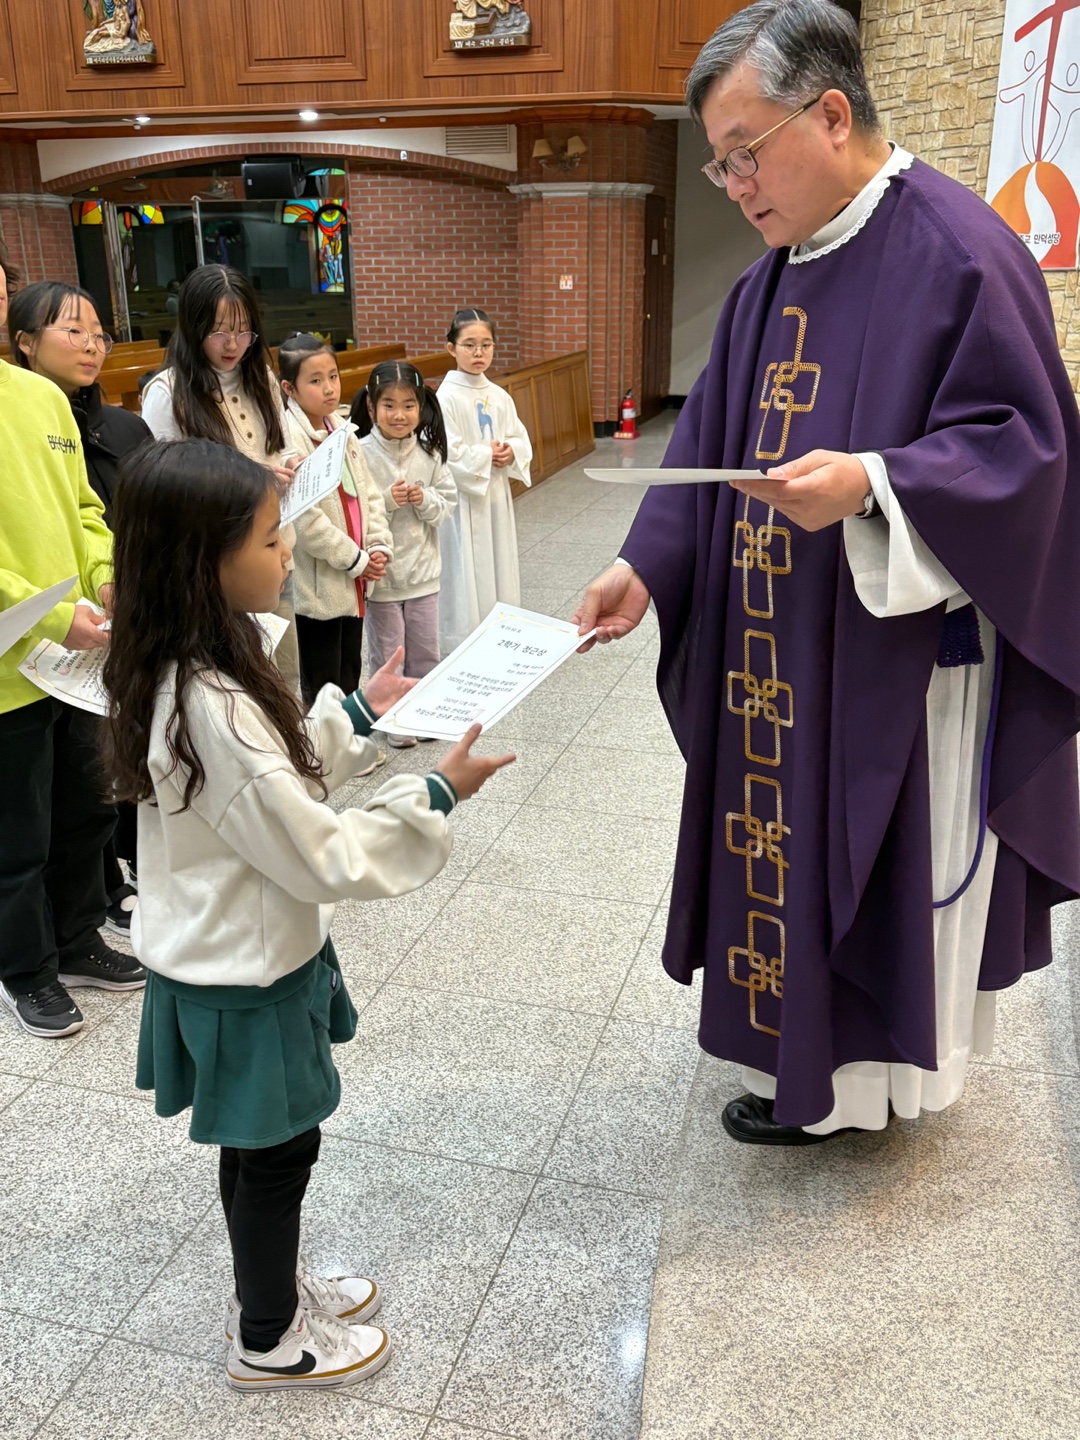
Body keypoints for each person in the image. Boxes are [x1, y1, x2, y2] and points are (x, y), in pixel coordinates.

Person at [576, 0, 1080, 1144]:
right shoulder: (773, 276)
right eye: (720, 164)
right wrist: (644, 565)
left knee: (874, 858)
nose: (734, 185)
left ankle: (867, 1090)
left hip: (888, 662)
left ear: (834, 114)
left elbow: (1028, 452)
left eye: (744, 153)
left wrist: (872, 484)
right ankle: (809, 1067)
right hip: (776, 658)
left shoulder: (959, 250)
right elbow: (709, 442)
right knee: (780, 857)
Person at [102, 438, 514, 1391]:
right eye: (267, 538)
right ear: (202, 563)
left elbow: (273, 782)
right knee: (279, 1151)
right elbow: (318, 847)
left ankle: (271, 1289)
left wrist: (357, 717)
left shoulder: (193, 662)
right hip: (243, 970)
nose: (287, 549)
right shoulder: (209, 701)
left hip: (224, 949)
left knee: (256, 1145)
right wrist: (436, 794)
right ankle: (268, 1338)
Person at [0, 263, 146, 1040]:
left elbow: (85, 510)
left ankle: (78, 938)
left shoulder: (39, 396)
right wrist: (55, 616)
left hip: (74, 654)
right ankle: (26, 970)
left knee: (86, 808)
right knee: (16, 832)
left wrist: (105, 577)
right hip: (10, 662)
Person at [141, 264, 302, 692]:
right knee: (232, 687)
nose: (234, 345)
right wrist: (249, 479)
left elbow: (280, 447)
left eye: (244, 331)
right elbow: (164, 489)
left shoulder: (261, 378)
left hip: (275, 552)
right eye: (219, 332)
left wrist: (294, 464)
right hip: (217, 571)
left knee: (284, 679)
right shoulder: (168, 392)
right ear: (192, 327)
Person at [278, 333, 393, 703]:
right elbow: (306, 521)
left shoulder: (341, 427)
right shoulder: (288, 440)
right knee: (323, 686)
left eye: (333, 376)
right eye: (315, 380)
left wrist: (377, 545)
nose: (329, 388)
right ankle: (327, 741)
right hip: (320, 588)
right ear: (289, 388)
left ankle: (349, 736)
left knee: (349, 672)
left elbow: (368, 492)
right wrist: (355, 559)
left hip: (353, 577)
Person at [351, 361, 457, 748]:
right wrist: (387, 500)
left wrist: (424, 498)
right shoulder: (359, 454)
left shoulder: (430, 454)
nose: (399, 415)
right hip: (382, 577)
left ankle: (425, 713)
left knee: (426, 650)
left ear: (421, 406)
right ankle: (392, 718)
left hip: (424, 574)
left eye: (409, 405)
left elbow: (446, 505)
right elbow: (354, 510)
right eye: (389, 405)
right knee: (389, 652)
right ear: (371, 405)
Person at [437, 307, 532, 653]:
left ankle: (500, 629)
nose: (479, 353)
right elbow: (447, 453)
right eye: (469, 345)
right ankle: (464, 638)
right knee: (466, 567)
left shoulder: (499, 395)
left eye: (486, 345)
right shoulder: (446, 397)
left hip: (494, 493)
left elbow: (519, 436)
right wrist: (484, 454)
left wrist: (511, 452)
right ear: (452, 348)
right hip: (464, 499)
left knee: (498, 559)